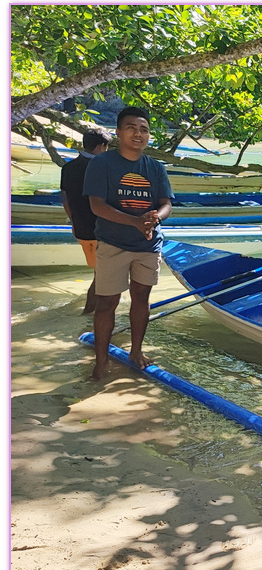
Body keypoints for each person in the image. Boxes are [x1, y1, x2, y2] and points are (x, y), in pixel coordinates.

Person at [84, 106, 174, 380]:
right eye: (132, 128)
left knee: (141, 299)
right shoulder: (102, 164)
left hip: (147, 246)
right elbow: (97, 206)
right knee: (106, 303)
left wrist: (154, 219)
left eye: (144, 129)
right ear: (119, 132)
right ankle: (100, 362)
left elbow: (166, 203)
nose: (138, 133)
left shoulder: (155, 167)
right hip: (112, 243)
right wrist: (135, 221)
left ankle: (136, 350)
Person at [60, 128, 112, 314]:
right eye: (106, 147)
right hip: (101, 230)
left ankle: (91, 312)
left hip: (80, 230)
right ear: (100, 146)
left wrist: (73, 222)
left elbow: (65, 197)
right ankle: (88, 315)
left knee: (98, 274)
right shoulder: (102, 168)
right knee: (102, 278)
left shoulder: (68, 167)